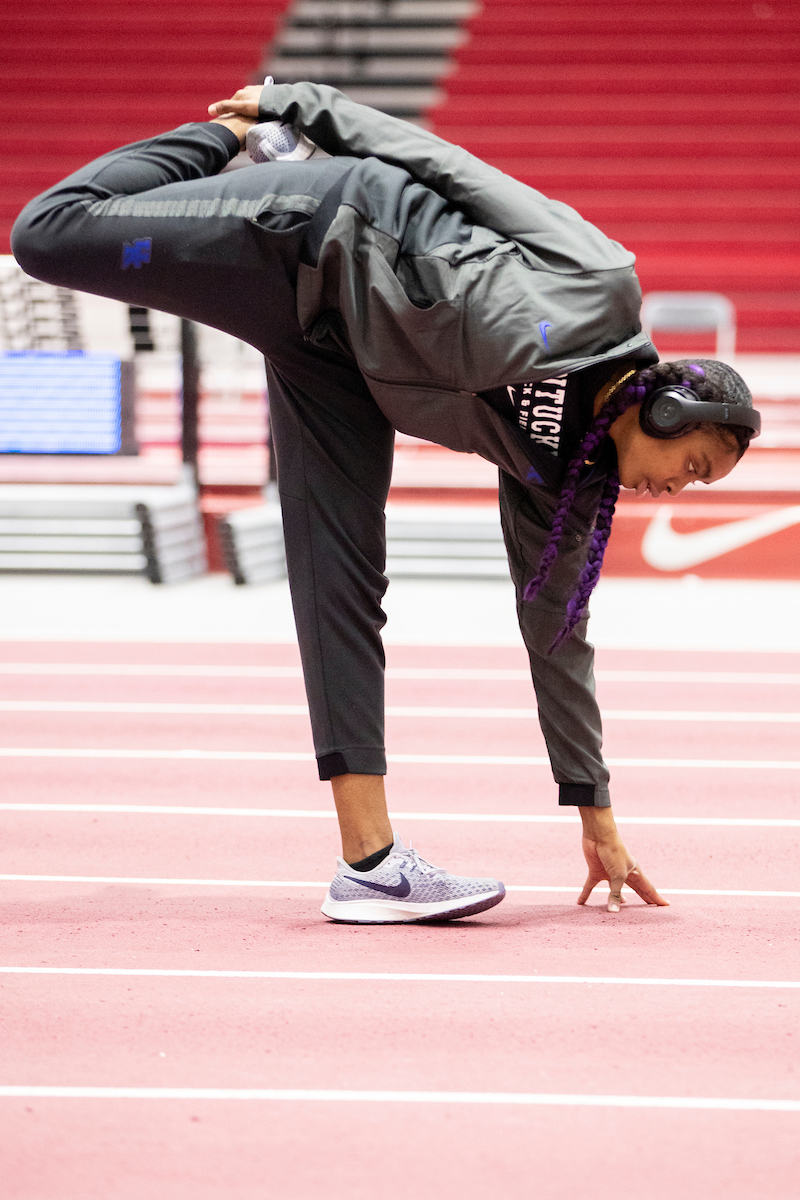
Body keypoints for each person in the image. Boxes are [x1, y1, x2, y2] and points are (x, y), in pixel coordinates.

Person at [11, 82, 760, 924]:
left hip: (338, 367)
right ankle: (217, 138)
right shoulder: (597, 280)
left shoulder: (565, 481)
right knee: (49, 235)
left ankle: (368, 866)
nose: (675, 489)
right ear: (664, 410)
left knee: (341, 581)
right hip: (322, 231)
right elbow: (454, 169)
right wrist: (296, 103)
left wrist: (596, 811)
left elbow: (557, 635)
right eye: (692, 465)